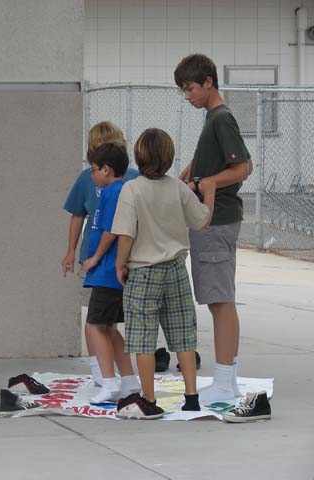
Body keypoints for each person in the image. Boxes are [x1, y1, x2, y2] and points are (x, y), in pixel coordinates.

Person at [112, 129, 216, 419]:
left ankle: (149, 399)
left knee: (143, 339)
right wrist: (209, 194)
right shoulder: (178, 188)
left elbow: (125, 234)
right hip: (175, 269)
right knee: (183, 334)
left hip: (144, 271)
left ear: (138, 156)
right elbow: (201, 221)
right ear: (169, 158)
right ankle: (191, 397)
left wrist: (120, 264)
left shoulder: (132, 189)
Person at [174, 54, 252, 402]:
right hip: (213, 220)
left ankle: (223, 381)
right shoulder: (214, 118)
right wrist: (196, 166)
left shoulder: (221, 118)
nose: (187, 96)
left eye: (190, 88)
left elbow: (243, 167)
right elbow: (228, 158)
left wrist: (207, 183)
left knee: (220, 302)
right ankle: (226, 379)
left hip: (216, 220)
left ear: (208, 82)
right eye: (183, 90)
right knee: (219, 301)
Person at [60, 121, 138, 386]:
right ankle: (103, 374)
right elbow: (77, 214)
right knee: (96, 320)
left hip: (115, 262)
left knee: (102, 323)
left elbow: (115, 228)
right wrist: (71, 252)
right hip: (94, 261)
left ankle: (110, 378)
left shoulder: (130, 180)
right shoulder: (87, 178)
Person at [80, 142, 141, 404]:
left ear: (106, 169)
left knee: (95, 326)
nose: (91, 175)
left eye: (93, 169)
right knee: (110, 329)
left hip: (106, 273)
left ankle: (109, 382)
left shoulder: (112, 193)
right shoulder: (121, 190)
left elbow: (112, 230)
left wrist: (95, 258)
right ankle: (128, 380)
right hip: (109, 273)